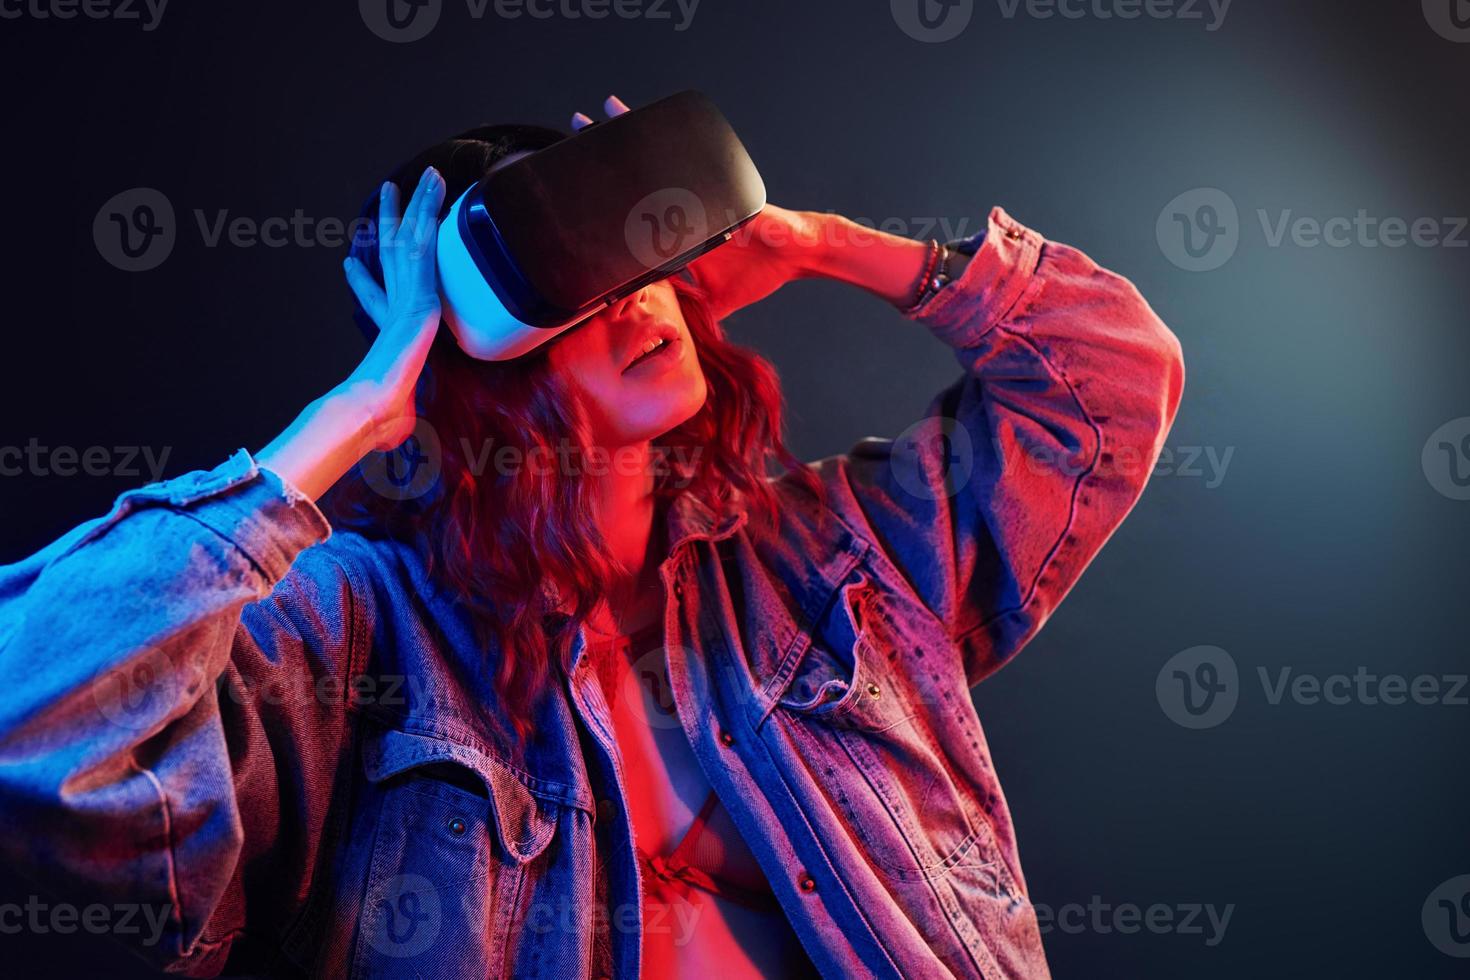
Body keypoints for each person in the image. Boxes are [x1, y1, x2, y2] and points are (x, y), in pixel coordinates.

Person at [0, 94, 1184, 978]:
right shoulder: (359, 637)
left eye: (641, 256)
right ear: (471, 359)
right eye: (570, 286)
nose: (635, 300)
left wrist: (819, 244)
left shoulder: (830, 562)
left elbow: (1113, 383)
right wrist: (354, 411)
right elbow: (33, 718)